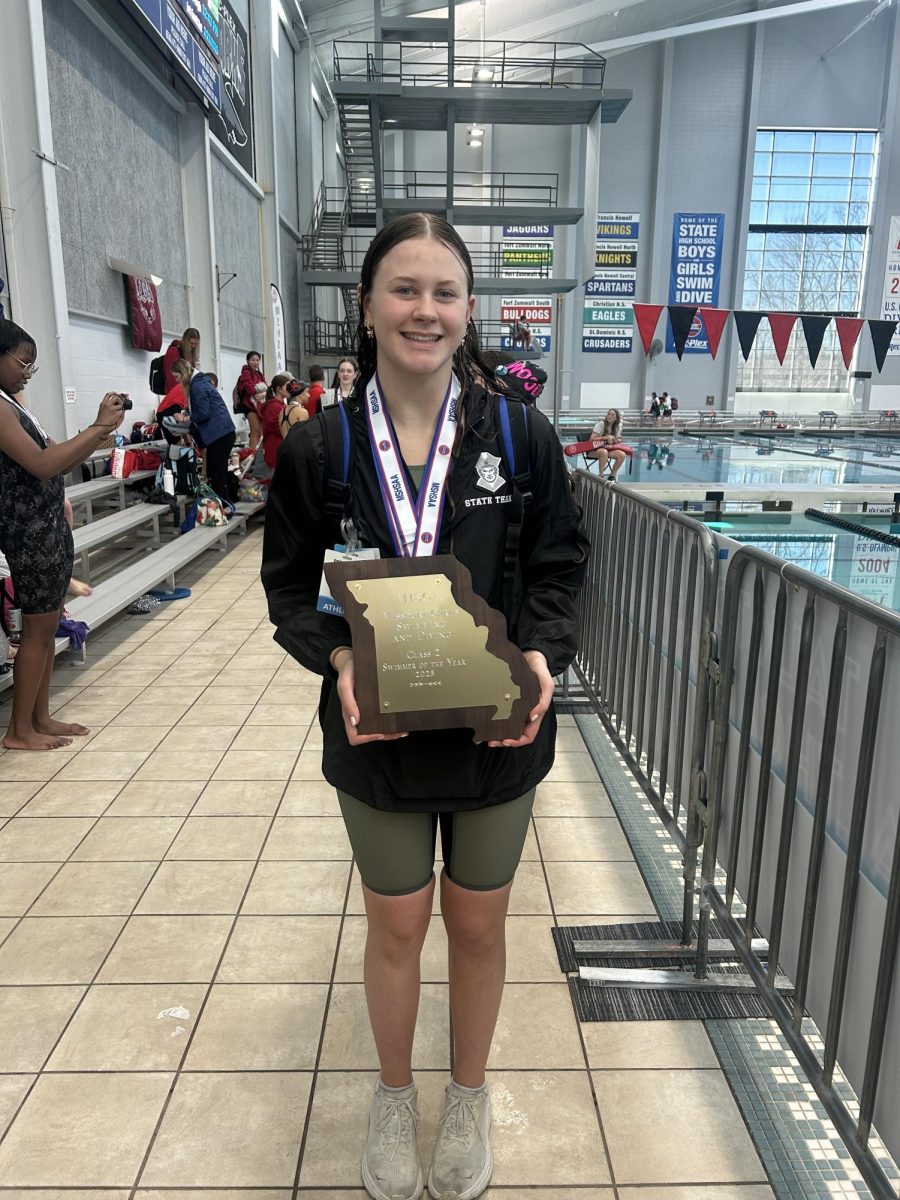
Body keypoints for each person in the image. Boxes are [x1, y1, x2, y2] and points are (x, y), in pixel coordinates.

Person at [262, 212, 588, 1200]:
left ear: (469, 309)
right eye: (404, 290)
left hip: (497, 734)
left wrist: (539, 656)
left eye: (445, 292)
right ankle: (396, 1097)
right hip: (381, 737)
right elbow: (290, 589)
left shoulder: (518, 438)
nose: (425, 310)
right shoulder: (321, 449)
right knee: (397, 927)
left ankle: (470, 1094)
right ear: (366, 307)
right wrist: (339, 664)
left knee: (479, 928)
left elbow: (560, 568)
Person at [0, 318, 127, 750]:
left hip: (48, 527)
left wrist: (101, 431)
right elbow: (41, 465)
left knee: (50, 623)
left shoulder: (14, 405)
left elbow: (58, 455)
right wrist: (95, 427)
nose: (27, 373)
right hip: (28, 533)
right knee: (36, 630)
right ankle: (19, 731)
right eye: (23, 362)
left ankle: (40, 717)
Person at [184, 361, 235, 502]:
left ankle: (221, 506)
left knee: (217, 472)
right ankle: (223, 503)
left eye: (176, 377)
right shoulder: (202, 384)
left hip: (219, 435)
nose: (176, 381)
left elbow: (204, 413)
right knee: (219, 471)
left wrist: (186, 418)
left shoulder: (198, 386)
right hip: (223, 432)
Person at [260, 372, 293, 472]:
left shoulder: (281, 405)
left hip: (279, 449)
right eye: (287, 386)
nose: (290, 389)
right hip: (274, 450)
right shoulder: (273, 406)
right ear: (278, 389)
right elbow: (279, 428)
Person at [236, 350, 266, 448]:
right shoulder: (246, 372)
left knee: (261, 432)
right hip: (249, 406)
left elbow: (267, 388)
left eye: (257, 360)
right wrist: (262, 389)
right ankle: (252, 455)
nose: (255, 362)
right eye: (253, 360)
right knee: (255, 431)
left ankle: (258, 455)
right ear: (248, 361)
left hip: (259, 406)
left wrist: (261, 393)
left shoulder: (259, 374)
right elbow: (250, 389)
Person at [587, 407, 627, 480]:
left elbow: (615, 441)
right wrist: (605, 437)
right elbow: (591, 439)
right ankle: (601, 476)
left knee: (622, 455)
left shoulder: (617, 427)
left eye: (612, 415)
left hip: (607, 449)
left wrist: (614, 440)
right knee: (604, 452)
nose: (610, 416)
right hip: (594, 450)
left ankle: (611, 476)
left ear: (616, 418)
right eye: (609, 414)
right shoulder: (600, 424)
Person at [162, 327, 201, 393]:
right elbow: (171, 377)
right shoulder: (174, 352)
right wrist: (175, 394)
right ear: (186, 341)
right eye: (191, 343)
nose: (194, 346)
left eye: (196, 344)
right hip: (176, 393)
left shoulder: (190, 354)